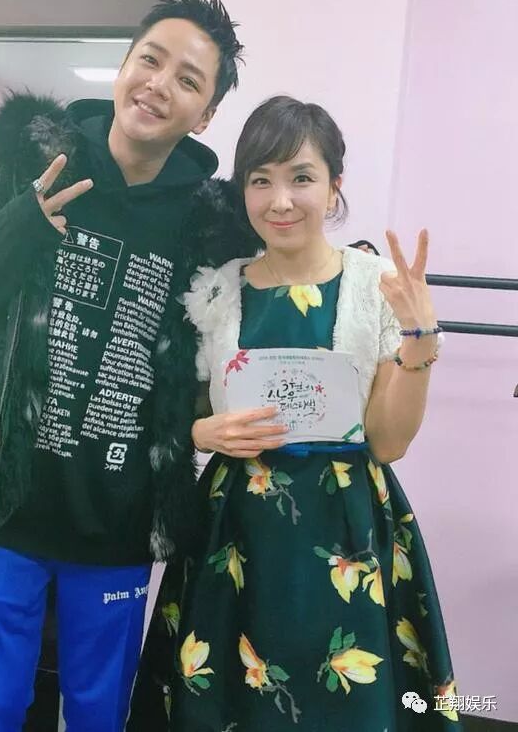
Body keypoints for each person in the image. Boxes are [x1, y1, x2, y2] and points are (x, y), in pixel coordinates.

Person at [0, 0, 245, 732]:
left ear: (205, 114)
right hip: (4, 503)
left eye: (187, 79)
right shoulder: (29, 162)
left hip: (120, 521)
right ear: (124, 65)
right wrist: (25, 223)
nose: (159, 85)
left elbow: (225, 354)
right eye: (149, 60)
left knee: (100, 714)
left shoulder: (211, 224)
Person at [128, 96, 462, 731]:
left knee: (346, 700)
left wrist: (419, 339)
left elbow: (388, 443)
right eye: (261, 181)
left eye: (301, 177)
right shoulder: (215, 289)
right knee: (231, 699)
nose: (280, 201)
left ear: (334, 186)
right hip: (236, 530)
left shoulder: (376, 285)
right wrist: (202, 431)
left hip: (348, 530)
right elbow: (174, 413)